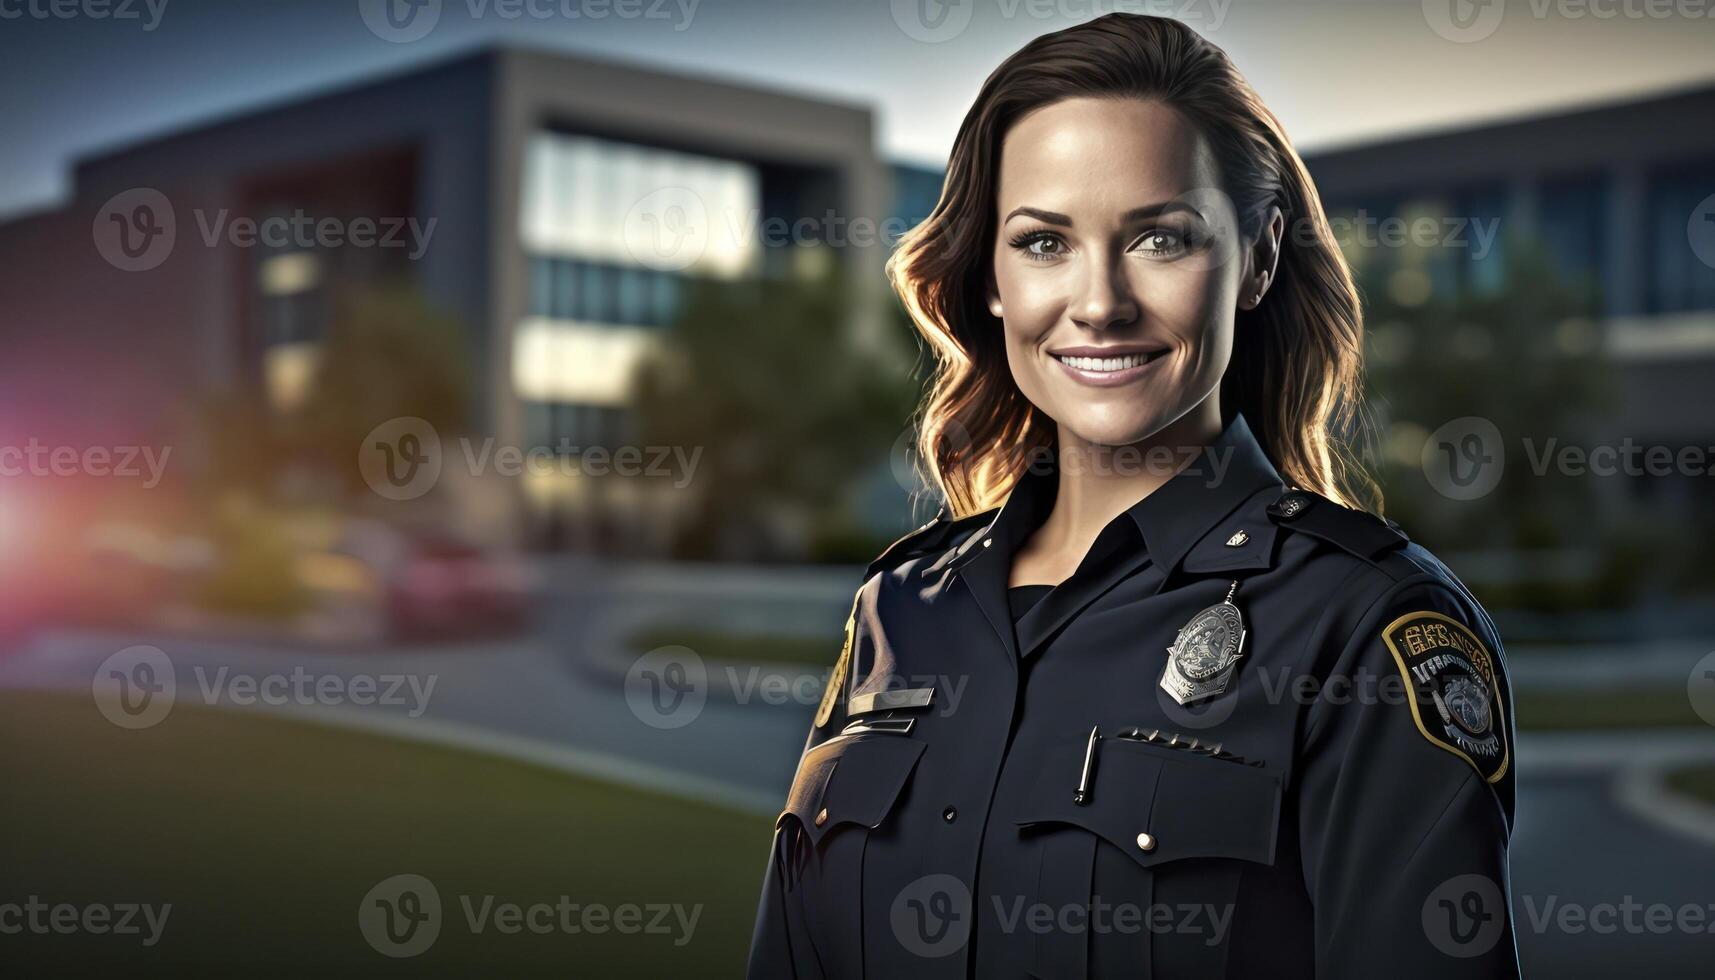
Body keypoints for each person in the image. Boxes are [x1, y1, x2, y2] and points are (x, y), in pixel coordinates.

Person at [745, 13, 1518, 979]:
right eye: (1042, 243)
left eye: (1159, 237)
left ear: (1258, 257)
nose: (1100, 301)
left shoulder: (1362, 625)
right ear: (987, 274)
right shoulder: (898, 608)